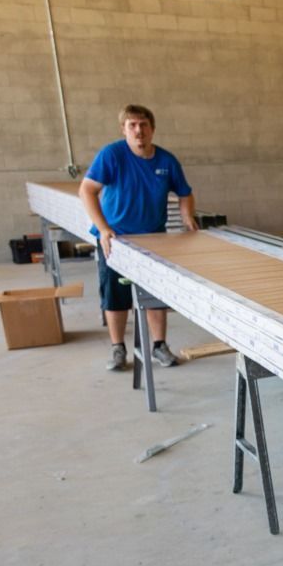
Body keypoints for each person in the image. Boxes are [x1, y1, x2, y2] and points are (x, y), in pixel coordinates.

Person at [78, 104, 197, 371]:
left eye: (143, 125)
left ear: (152, 129)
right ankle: (118, 348)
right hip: (115, 240)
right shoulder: (112, 155)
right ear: (124, 130)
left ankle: (159, 346)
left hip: (154, 239)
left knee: (154, 295)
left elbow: (185, 192)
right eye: (132, 125)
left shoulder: (166, 161)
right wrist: (104, 228)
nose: (138, 130)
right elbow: (87, 191)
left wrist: (187, 216)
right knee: (115, 295)